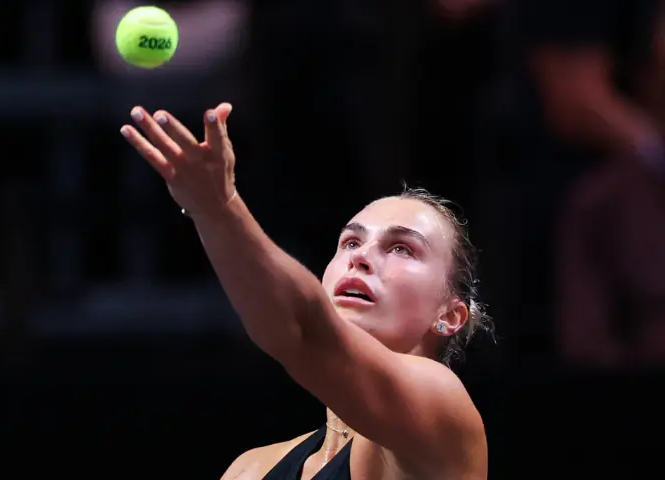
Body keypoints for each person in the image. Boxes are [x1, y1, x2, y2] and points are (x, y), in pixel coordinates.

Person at [119, 103, 490, 479]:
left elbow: (304, 328)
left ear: (449, 315)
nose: (359, 258)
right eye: (349, 243)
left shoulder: (443, 413)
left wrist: (219, 208)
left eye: (401, 248)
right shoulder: (250, 469)